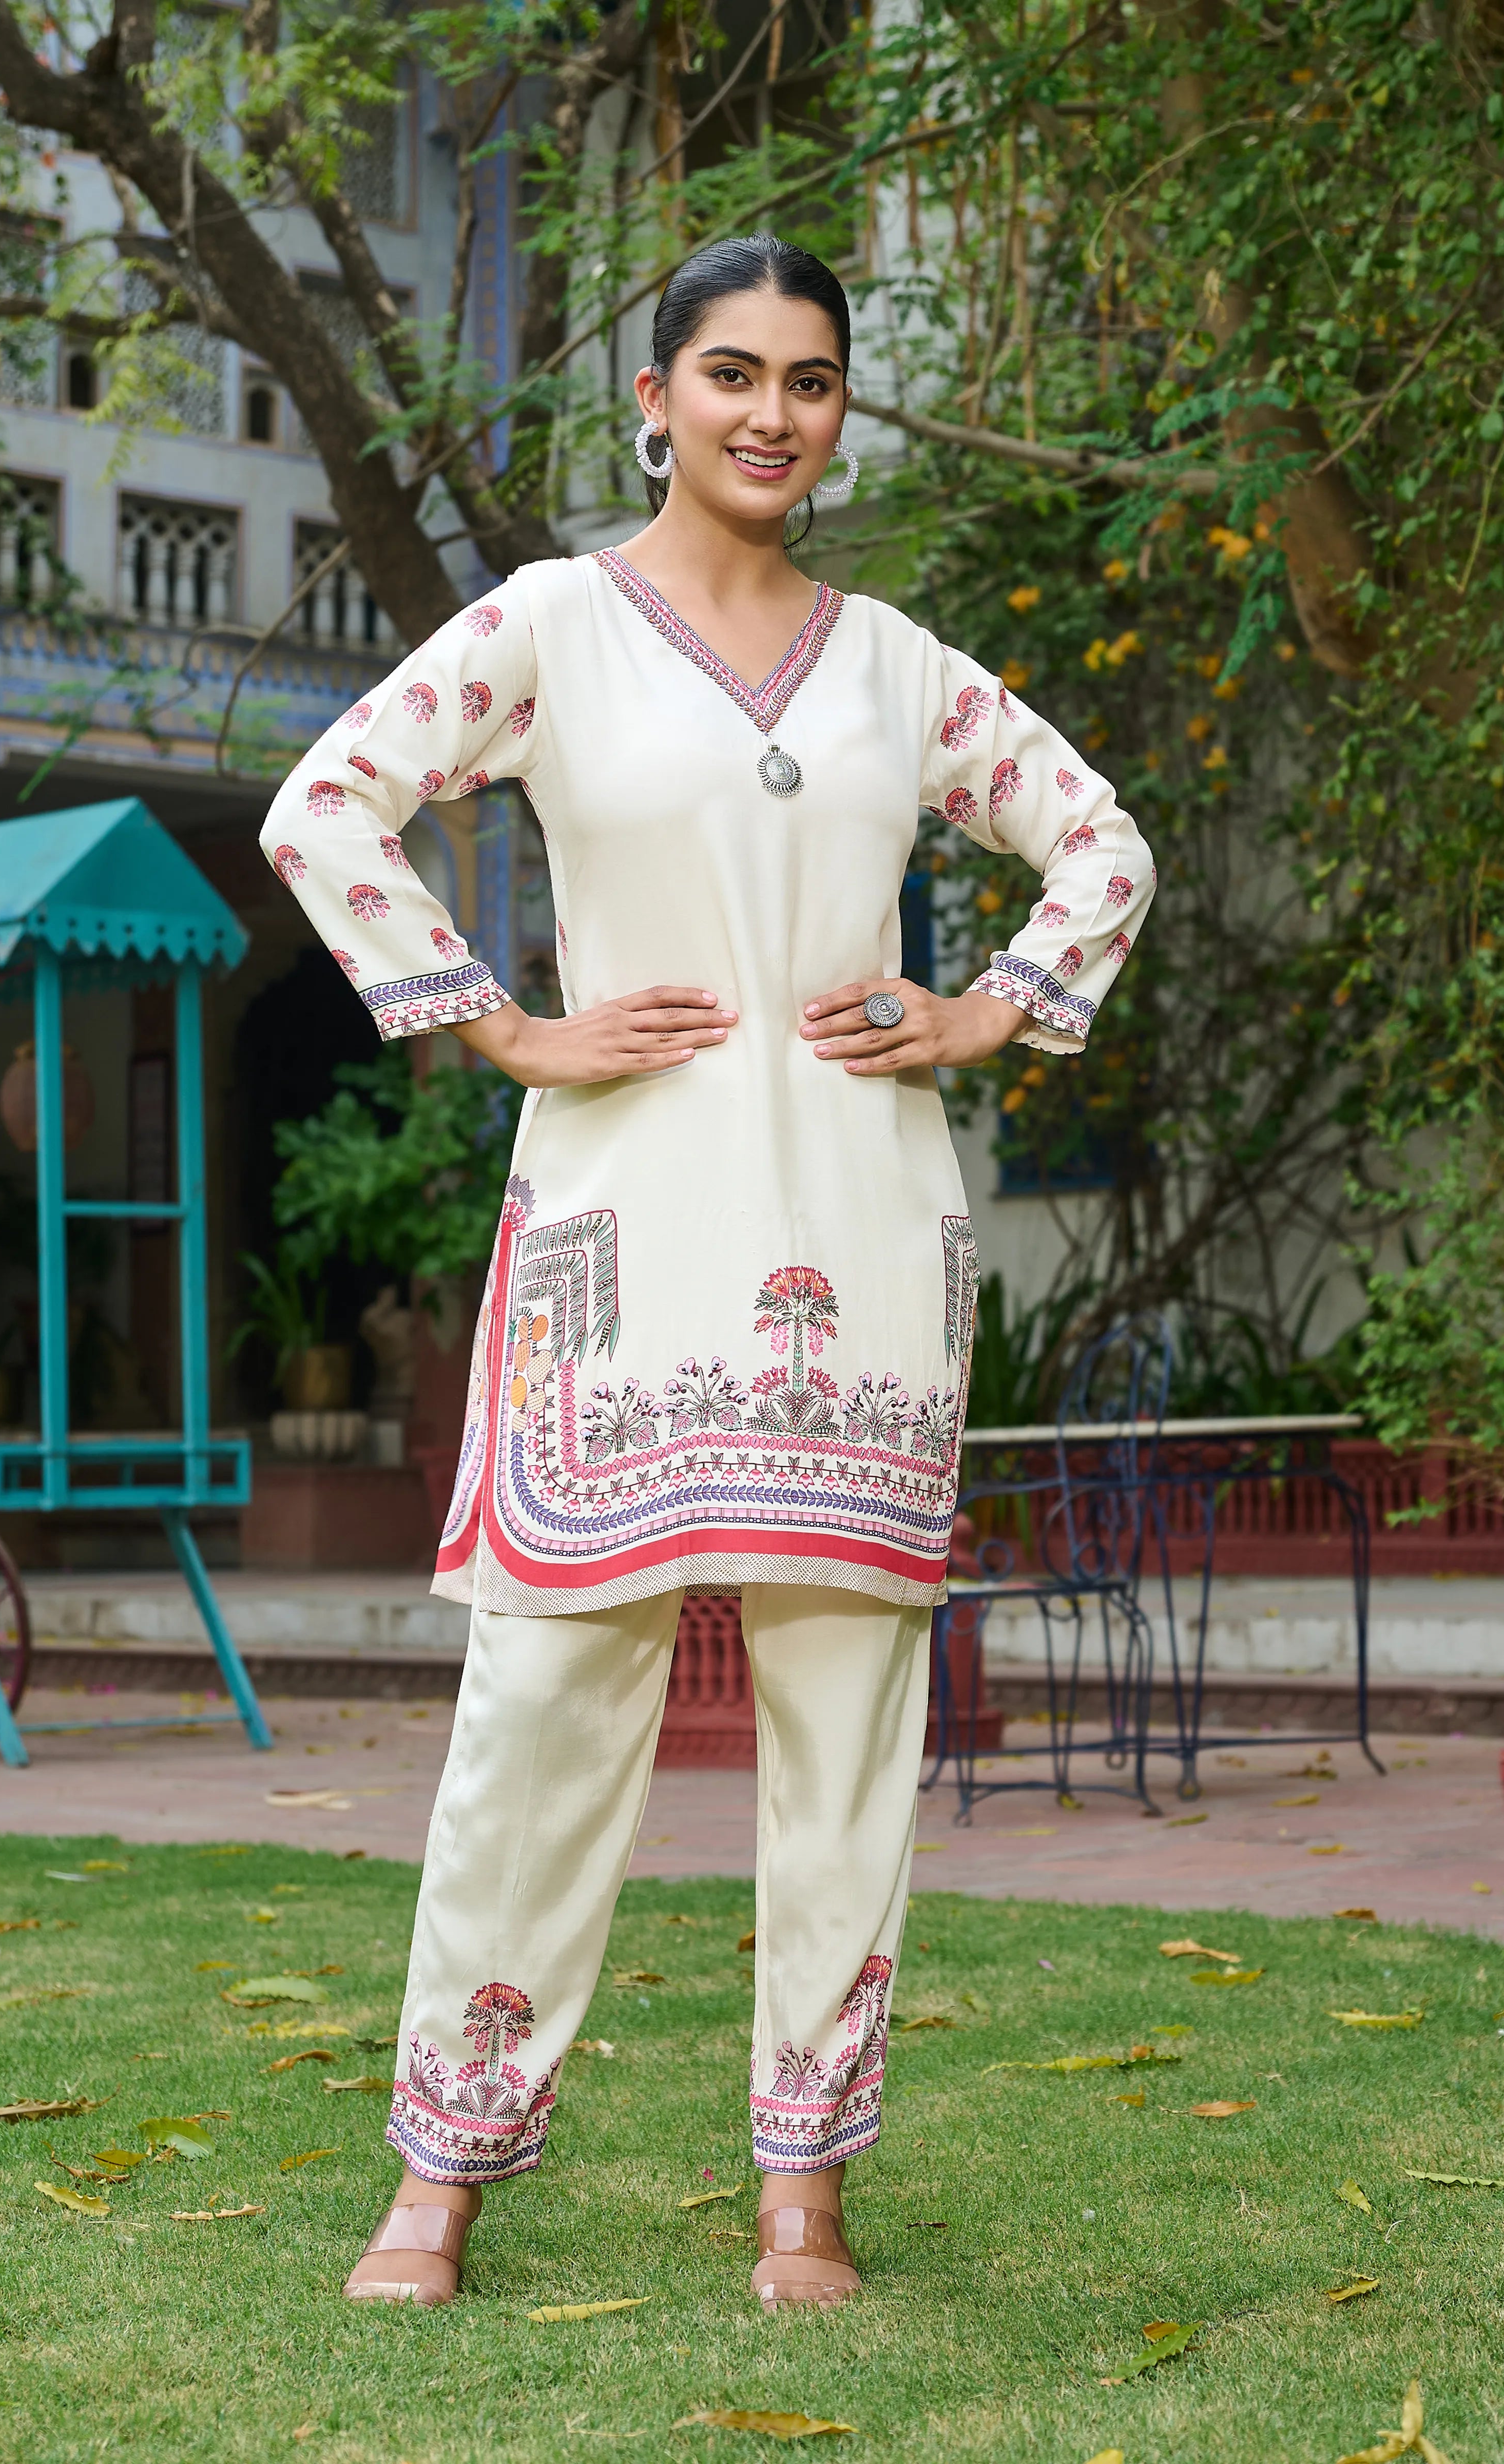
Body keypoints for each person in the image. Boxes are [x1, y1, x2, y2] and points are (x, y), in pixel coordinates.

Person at [260, 232, 1154, 2312]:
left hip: (862, 1228)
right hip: (622, 1235)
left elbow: (1100, 842)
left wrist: (987, 1008)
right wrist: (500, 1025)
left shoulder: (901, 670)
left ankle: (804, 2187)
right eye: (731, 374)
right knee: (544, 1709)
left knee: (845, 1729)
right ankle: (443, 2170)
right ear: (653, 400)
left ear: (838, 415)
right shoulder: (549, 627)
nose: (771, 414)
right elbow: (328, 807)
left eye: (810, 381)